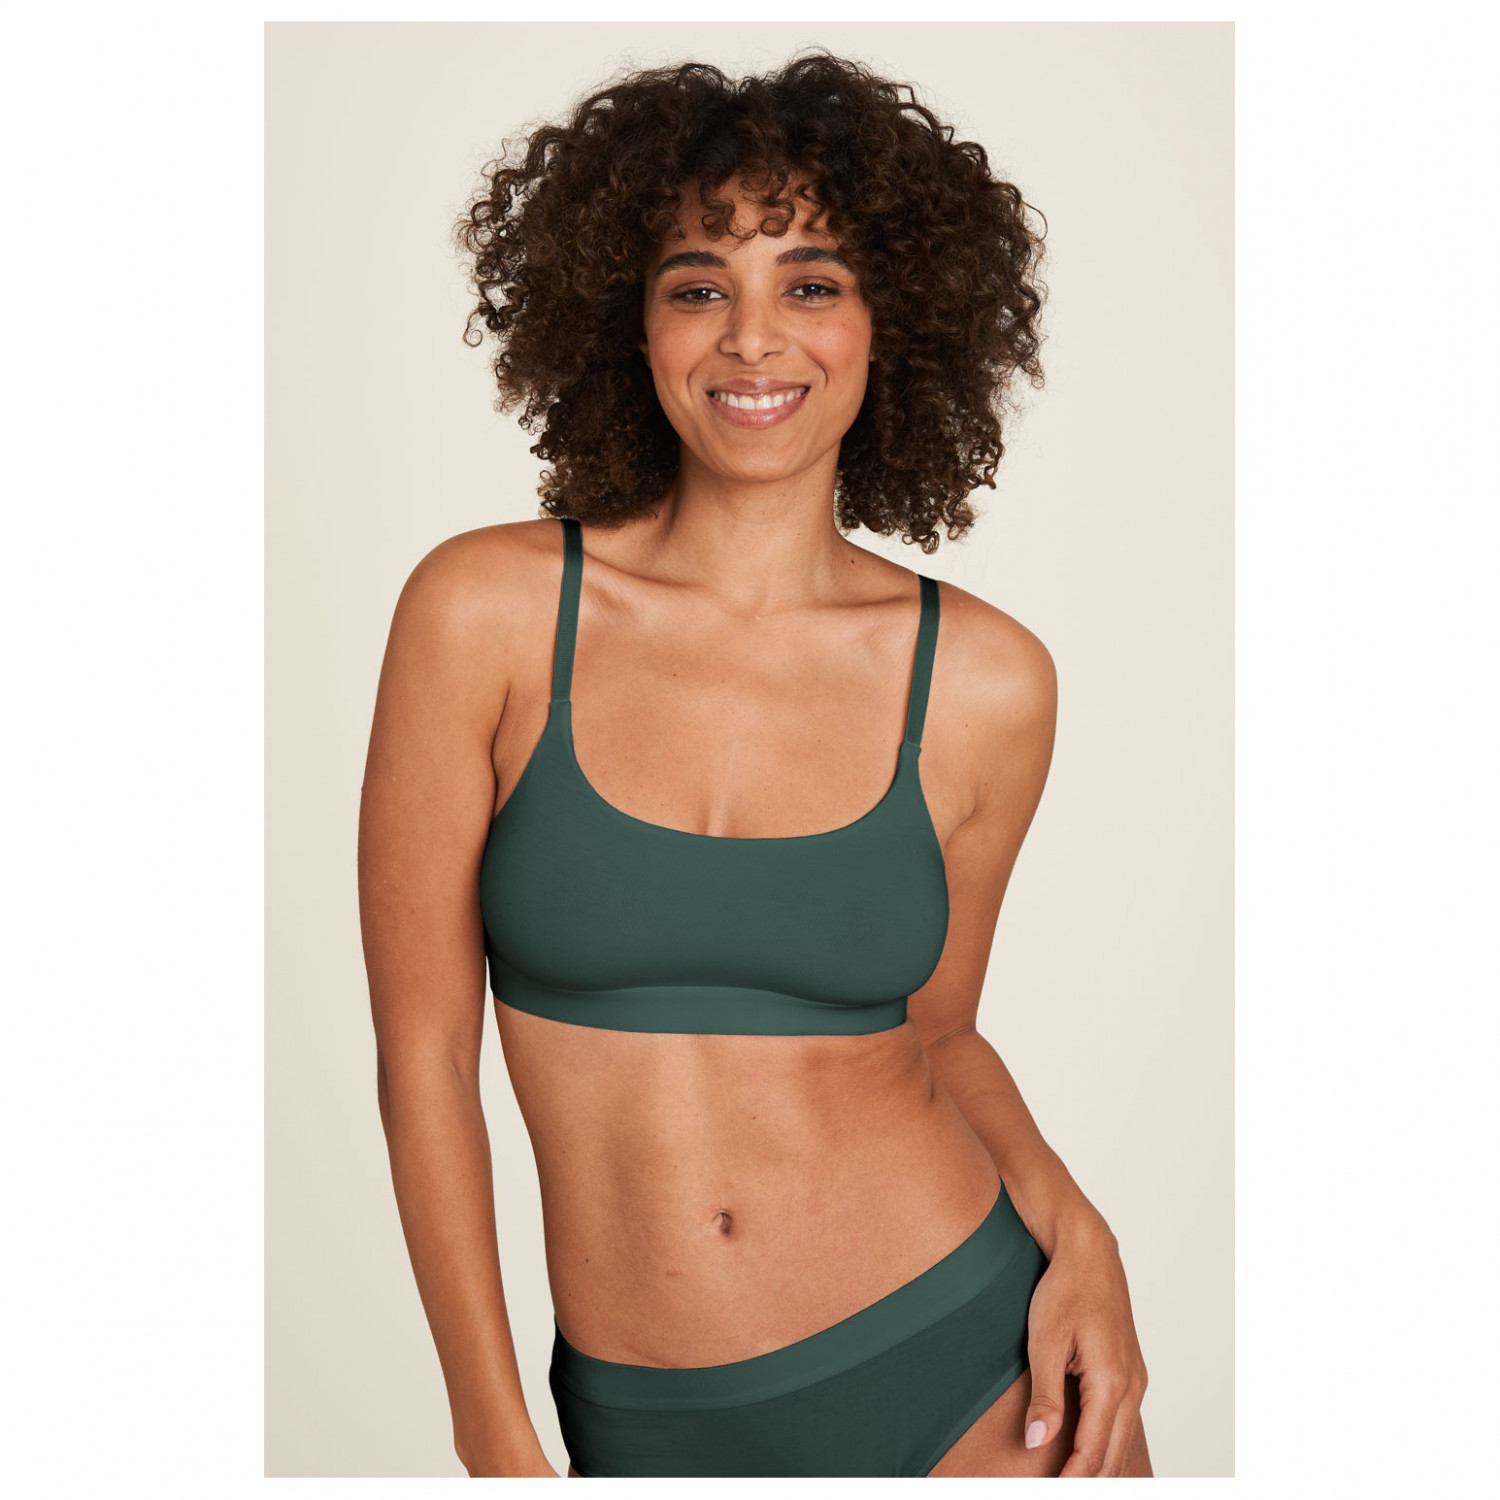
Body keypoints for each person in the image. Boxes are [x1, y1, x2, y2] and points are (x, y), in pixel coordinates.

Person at [359, 52, 1151, 1478]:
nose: (753, 339)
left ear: (892, 323)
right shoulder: (484, 614)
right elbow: (424, 1054)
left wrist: (1081, 1233)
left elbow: (940, 1032)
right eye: (699, 286)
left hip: (969, 1370)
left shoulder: (985, 681)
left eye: (812, 282)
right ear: (631, 323)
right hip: (639, 1413)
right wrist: (493, 1435)